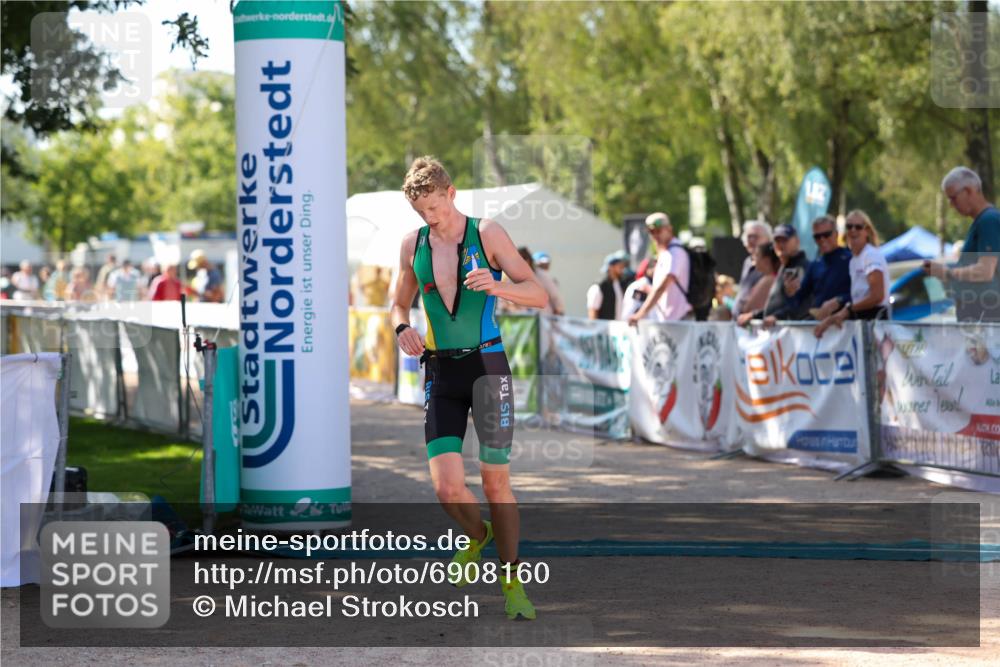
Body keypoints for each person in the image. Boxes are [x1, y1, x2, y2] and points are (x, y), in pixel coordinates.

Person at [390, 157, 547, 620]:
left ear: (451, 193)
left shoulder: (488, 234)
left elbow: (537, 292)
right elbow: (399, 302)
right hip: (440, 373)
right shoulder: (412, 244)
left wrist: (498, 286)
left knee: (496, 482)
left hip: (487, 368)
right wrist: (402, 328)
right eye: (421, 211)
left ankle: (513, 583)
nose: (430, 218)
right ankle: (478, 537)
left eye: (435, 208)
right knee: (446, 488)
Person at [926, 166, 1000, 322]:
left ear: (968, 191)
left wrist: (947, 273)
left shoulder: (988, 221)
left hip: (987, 318)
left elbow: (985, 271)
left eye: (953, 198)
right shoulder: (983, 221)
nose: (952, 205)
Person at [764, 215, 852, 325]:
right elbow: (798, 301)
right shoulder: (815, 264)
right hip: (819, 329)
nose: (822, 239)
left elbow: (865, 294)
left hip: (847, 326)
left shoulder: (850, 259)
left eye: (826, 235)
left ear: (836, 234)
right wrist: (790, 293)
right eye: (817, 236)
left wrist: (840, 300)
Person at [814, 210, 890, 337]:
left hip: (875, 320)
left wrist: (847, 310)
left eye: (858, 227)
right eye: (849, 226)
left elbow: (877, 296)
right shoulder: (854, 260)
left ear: (867, 231)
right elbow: (858, 297)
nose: (853, 230)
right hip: (861, 321)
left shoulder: (870, 255)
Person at [629, 212, 691, 324]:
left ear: (669, 229)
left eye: (658, 231)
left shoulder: (675, 252)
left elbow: (662, 287)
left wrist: (640, 314)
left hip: (679, 321)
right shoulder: (666, 252)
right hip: (670, 320)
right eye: (651, 232)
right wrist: (649, 290)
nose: (655, 235)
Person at [732, 220, 772, 317]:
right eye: (749, 237)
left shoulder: (773, 263)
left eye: (756, 237)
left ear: (768, 239)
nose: (751, 240)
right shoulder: (747, 262)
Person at [735, 243, 780, 325]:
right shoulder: (769, 279)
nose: (753, 259)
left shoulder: (768, 280)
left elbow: (749, 308)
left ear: (766, 260)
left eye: (756, 255)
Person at [587, 251, 629, 320]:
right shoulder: (599, 287)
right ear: (611, 267)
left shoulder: (620, 284)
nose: (622, 269)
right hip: (605, 329)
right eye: (620, 266)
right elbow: (593, 313)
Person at [532, 251, 565, 316]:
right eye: (541, 264)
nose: (545, 266)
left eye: (546, 264)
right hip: (542, 318)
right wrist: (560, 310)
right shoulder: (544, 277)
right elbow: (555, 297)